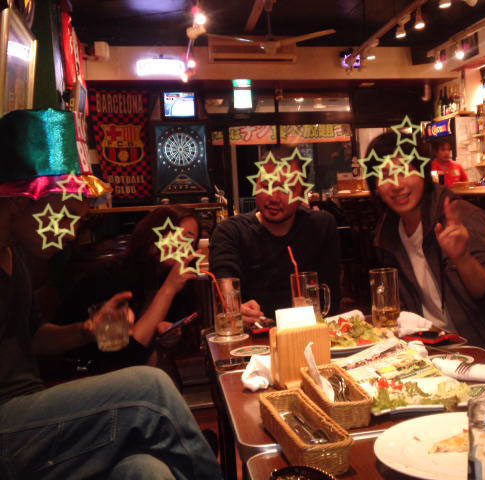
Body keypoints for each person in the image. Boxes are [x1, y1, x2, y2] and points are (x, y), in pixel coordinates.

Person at [0, 112, 221, 478]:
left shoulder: (17, 256)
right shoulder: (110, 273)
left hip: (32, 411)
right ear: (22, 202)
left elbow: (34, 337)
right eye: (65, 216)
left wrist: (88, 329)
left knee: (146, 470)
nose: (71, 232)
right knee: (151, 389)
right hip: (11, 425)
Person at [366, 132, 485, 367]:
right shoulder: (388, 234)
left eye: (405, 170)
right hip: (431, 355)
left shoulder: (462, 217)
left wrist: (462, 258)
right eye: (385, 175)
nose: (397, 184)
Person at [56, 206, 201, 378]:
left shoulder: (168, 277)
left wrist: (165, 336)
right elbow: (127, 358)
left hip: (132, 373)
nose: (182, 246)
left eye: (190, 241)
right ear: (153, 234)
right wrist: (168, 289)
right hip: (81, 374)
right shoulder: (109, 274)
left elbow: (184, 344)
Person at [210, 145, 341, 325]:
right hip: (254, 336)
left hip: (307, 332)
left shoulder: (320, 226)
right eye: (266, 186)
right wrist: (236, 309)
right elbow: (225, 291)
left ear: (303, 193)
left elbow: (331, 297)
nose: (273, 197)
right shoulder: (231, 231)